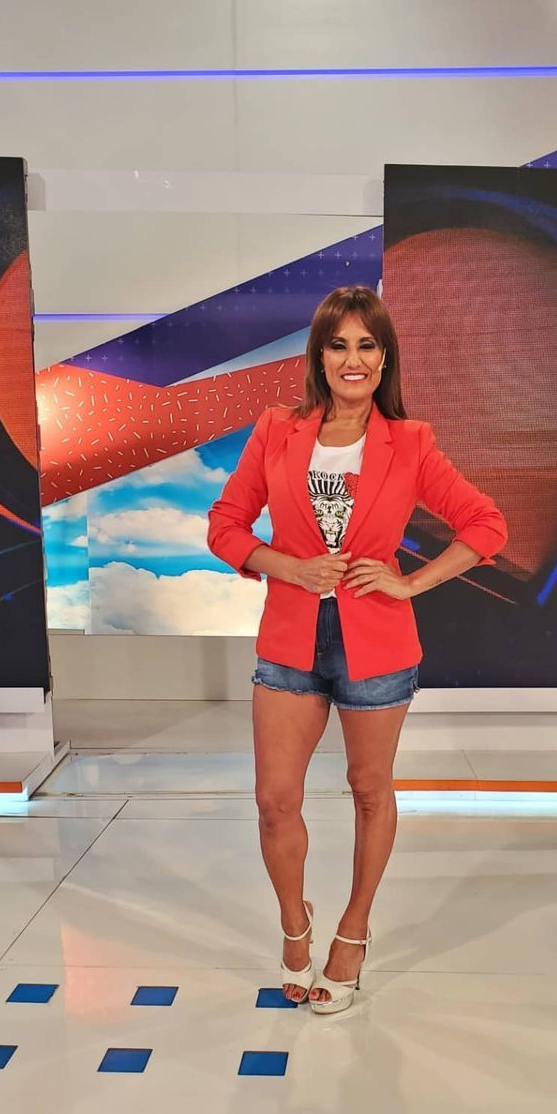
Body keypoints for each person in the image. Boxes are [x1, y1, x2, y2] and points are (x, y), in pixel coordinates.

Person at [207, 286, 507, 1014]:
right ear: (318, 356)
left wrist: (411, 583)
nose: (353, 359)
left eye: (367, 345)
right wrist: (290, 568)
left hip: (377, 646)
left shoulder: (412, 441)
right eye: (338, 344)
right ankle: (294, 923)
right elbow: (226, 526)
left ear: (384, 358)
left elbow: (485, 524)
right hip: (290, 643)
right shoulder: (276, 430)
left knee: (371, 790)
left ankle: (353, 930)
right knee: (275, 801)